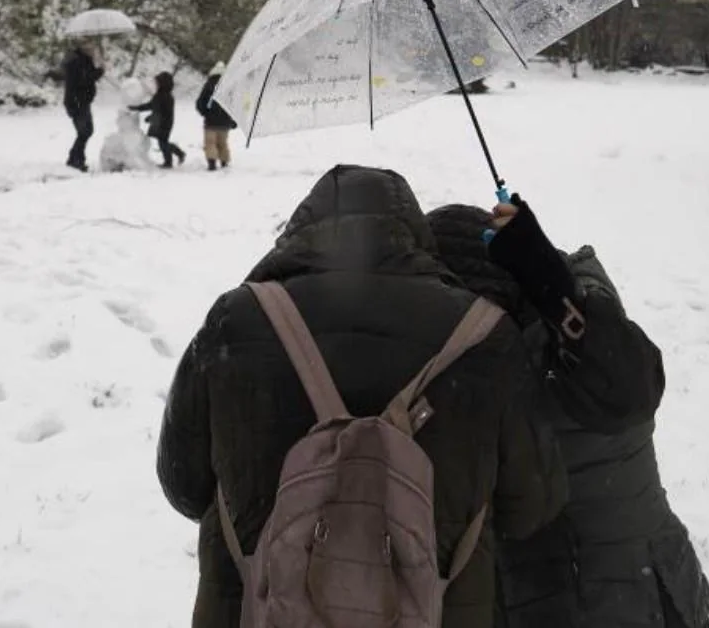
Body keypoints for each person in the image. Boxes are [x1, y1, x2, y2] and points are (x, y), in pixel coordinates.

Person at [157, 165, 569, 628]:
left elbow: (184, 485)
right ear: (415, 236)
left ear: (298, 232)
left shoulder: (237, 320)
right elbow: (533, 504)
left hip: (252, 608)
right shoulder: (485, 335)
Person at [426, 199, 709, 628]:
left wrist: (558, 295)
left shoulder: (572, 319)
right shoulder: (482, 359)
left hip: (636, 599)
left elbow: (630, 388)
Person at [61, 41, 103, 171]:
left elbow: (88, 76)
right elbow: (83, 79)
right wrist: (98, 72)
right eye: (90, 47)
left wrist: (98, 69)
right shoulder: (76, 62)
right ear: (83, 48)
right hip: (76, 101)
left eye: (93, 47)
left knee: (86, 131)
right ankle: (76, 159)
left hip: (83, 101)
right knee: (85, 131)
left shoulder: (85, 60)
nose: (92, 50)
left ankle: (76, 158)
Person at [130, 71, 185, 168]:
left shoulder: (165, 96)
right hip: (160, 122)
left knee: (163, 143)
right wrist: (137, 108)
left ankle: (169, 162)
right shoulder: (161, 94)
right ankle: (179, 153)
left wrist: (150, 117)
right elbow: (151, 106)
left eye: (158, 82)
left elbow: (161, 111)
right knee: (163, 142)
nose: (156, 84)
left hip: (164, 123)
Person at [195, 62, 237, 171]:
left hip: (211, 122)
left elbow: (200, 102)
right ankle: (224, 162)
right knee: (222, 143)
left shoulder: (209, 84)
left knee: (210, 143)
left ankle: (212, 163)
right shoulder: (230, 85)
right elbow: (234, 104)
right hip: (225, 121)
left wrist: (205, 113)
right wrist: (233, 120)